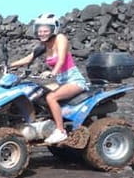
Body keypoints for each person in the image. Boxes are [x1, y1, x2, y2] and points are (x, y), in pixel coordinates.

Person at [9, 13, 90, 144]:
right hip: (61, 81)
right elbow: (29, 58)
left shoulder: (60, 38)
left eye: (45, 31)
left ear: (53, 29)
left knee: (51, 97)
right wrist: (10, 65)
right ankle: (40, 124)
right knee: (36, 93)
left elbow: (61, 59)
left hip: (74, 80)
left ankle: (60, 131)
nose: (42, 33)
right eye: (39, 31)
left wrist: (53, 72)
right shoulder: (44, 45)